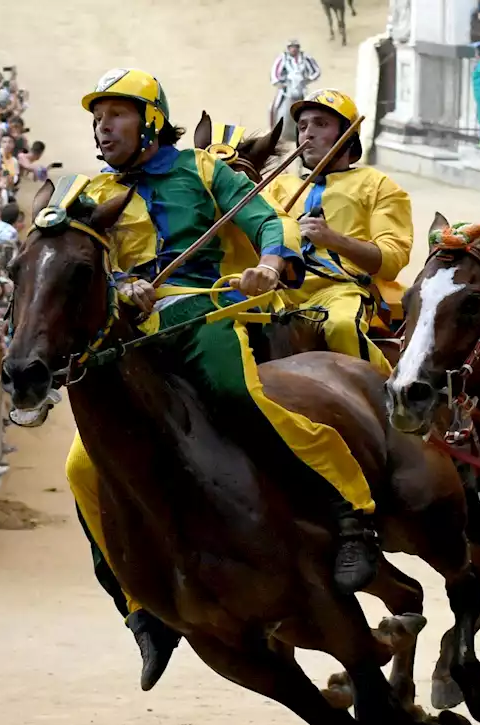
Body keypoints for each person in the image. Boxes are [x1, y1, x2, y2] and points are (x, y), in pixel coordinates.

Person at [64, 70, 382, 690]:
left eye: (117, 115)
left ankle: (355, 513)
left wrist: (269, 262)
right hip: (133, 337)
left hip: (201, 314)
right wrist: (112, 286)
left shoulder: (207, 174)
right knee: (81, 468)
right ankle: (139, 611)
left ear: (151, 120)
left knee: (243, 399)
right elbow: (66, 260)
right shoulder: (86, 191)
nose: (103, 127)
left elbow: (269, 221)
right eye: (98, 118)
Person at [266, 89, 412, 376]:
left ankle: (393, 402)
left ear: (347, 134)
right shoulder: (275, 187)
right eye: (303, 126)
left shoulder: (379, 185)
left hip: (340, 290)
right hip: (278, 292)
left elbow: (391, 260)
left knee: (342, 326)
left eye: (321, 124)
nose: (307, 134)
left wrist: (333, 239)